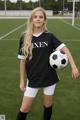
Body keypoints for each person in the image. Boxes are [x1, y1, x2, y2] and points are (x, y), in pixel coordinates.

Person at [16, 7, 79, 120]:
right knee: (24, 108)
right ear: (31, 19)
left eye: (41, 17)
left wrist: (73, 67)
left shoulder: (49, 36)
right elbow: (22, 60)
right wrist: (21, 80)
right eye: (35, 17)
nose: (38, 19)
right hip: (33, 78)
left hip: (49, 77)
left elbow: (66, 50)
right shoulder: (24, 37)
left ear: (44, 20)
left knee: (47, 105)